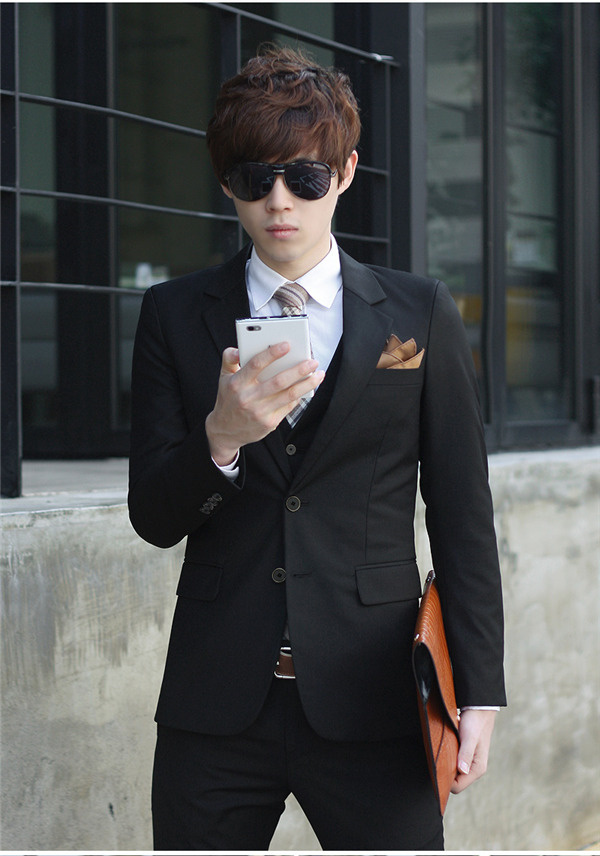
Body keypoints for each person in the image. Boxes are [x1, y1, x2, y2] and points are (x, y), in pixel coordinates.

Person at [128, 46, 506, 851]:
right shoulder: (173, 314)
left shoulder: (417, 312)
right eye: (253, 179)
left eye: (303, 178)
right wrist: (221, 439)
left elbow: (462, 512)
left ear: (345, 173)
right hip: (217, 704)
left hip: (377, 699)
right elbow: (153, 518)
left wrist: (478, 692)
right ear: (226, 184)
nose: (279, 202)